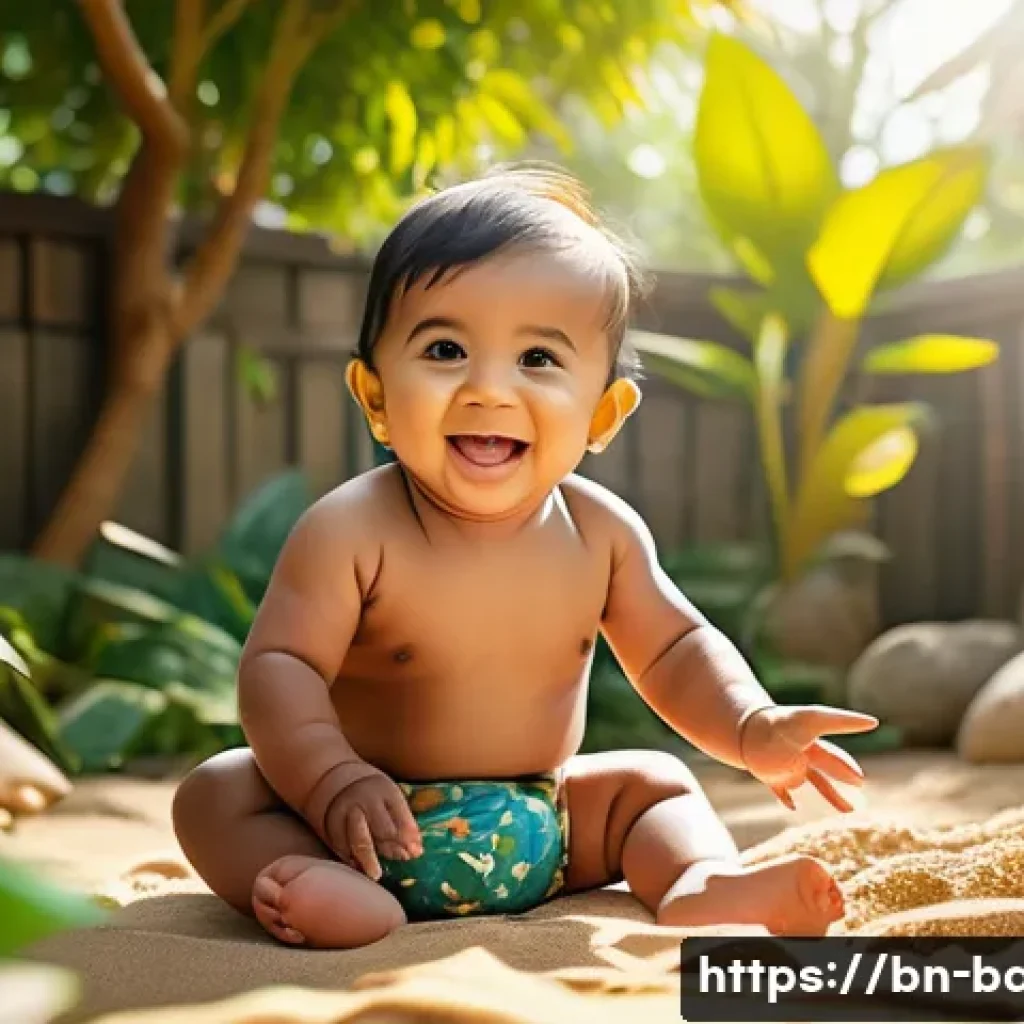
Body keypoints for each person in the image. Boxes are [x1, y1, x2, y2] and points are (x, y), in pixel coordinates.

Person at [171, 164, 878, 950]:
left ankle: (695, 881)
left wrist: (748, 724)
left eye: (538, 360)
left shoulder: (600, 533)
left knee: (658, 786)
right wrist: (332, 778)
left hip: (547, 827)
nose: (488, 390)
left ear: (603, 414)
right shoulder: (347, 530)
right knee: (216, 793)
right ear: (375, 397)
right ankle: (324, 885)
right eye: (445, 348)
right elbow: (282, 667)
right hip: (363, 825)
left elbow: (676, 650)